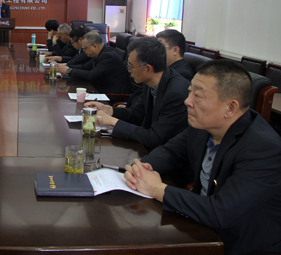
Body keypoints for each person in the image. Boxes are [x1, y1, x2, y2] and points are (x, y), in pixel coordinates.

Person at [124, 60, 281, 255]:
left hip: (240, 244)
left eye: (197, 96)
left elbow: (221, 211)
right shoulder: (203, 125)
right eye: (190, 92)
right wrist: (141, 169)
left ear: (230, 107)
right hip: (200, 225)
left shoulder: (263, 148)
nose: (187, 101)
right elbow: (171, 151)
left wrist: (156, 188)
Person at [86, 37, 190, 151]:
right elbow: (136, 115)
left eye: (130, 66)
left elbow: (155, 138)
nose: (129, 70)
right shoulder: (150, 82)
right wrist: (109, 110)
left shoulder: (176, 93)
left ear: (148, 69)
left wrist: (113, 122)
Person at [57, 31, 131, 95]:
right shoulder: (99, 53)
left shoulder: (108, 56)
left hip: (110, 94)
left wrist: (69, 71)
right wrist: (66, 68)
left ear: (94, 46)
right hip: (99, 89)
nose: (84, 50)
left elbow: (91, 75)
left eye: (85, 48)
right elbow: (85, 67)